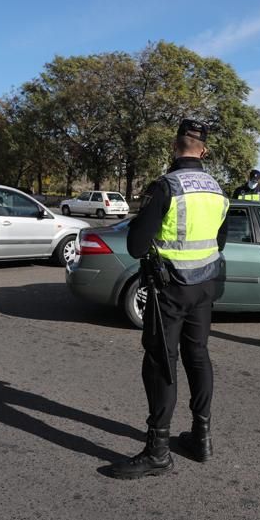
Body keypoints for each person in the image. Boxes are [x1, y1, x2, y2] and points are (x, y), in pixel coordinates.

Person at [108, 119, 230, 479]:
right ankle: (201, 438)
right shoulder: (218, 190)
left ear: (175, 146)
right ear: (203, 150)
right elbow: (219, 242)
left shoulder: (166, 186)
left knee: (162, 362)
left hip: (171, 287)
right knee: (198, 356)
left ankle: (158, 451)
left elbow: (135, 246)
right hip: (206, 284)